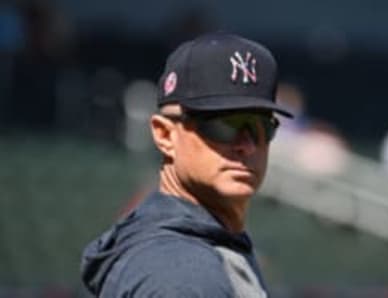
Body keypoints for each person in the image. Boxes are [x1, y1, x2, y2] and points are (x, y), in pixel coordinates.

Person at [80, 32, 293, 297]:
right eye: (225, 125)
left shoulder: (205, 245)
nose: (247, 145)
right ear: (165, 135)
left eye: (260, 127)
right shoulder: (180, 275)